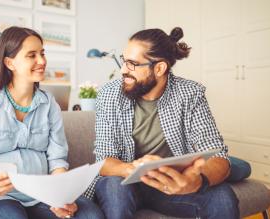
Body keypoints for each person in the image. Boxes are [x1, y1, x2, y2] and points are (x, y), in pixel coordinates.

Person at [88, 27, 239, 219]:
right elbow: (104, 160)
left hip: (168, 185)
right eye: (124, 60)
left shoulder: (189, 94)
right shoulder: (109, 94)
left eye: (132, 63)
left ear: (159, 68)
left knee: (223, 197)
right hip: (124, 181)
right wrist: (134, 168)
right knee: (114, 188)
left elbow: (217, 155)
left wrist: (197, 180)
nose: (123, 70)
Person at [0, 26, 104, 219]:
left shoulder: (49, 104)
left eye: (42, 53)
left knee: (91, 215)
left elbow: (57, 160)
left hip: (43, 196)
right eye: (31, 55)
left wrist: (60, 197)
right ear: (10, 63)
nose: (42, 61)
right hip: (0, 198)